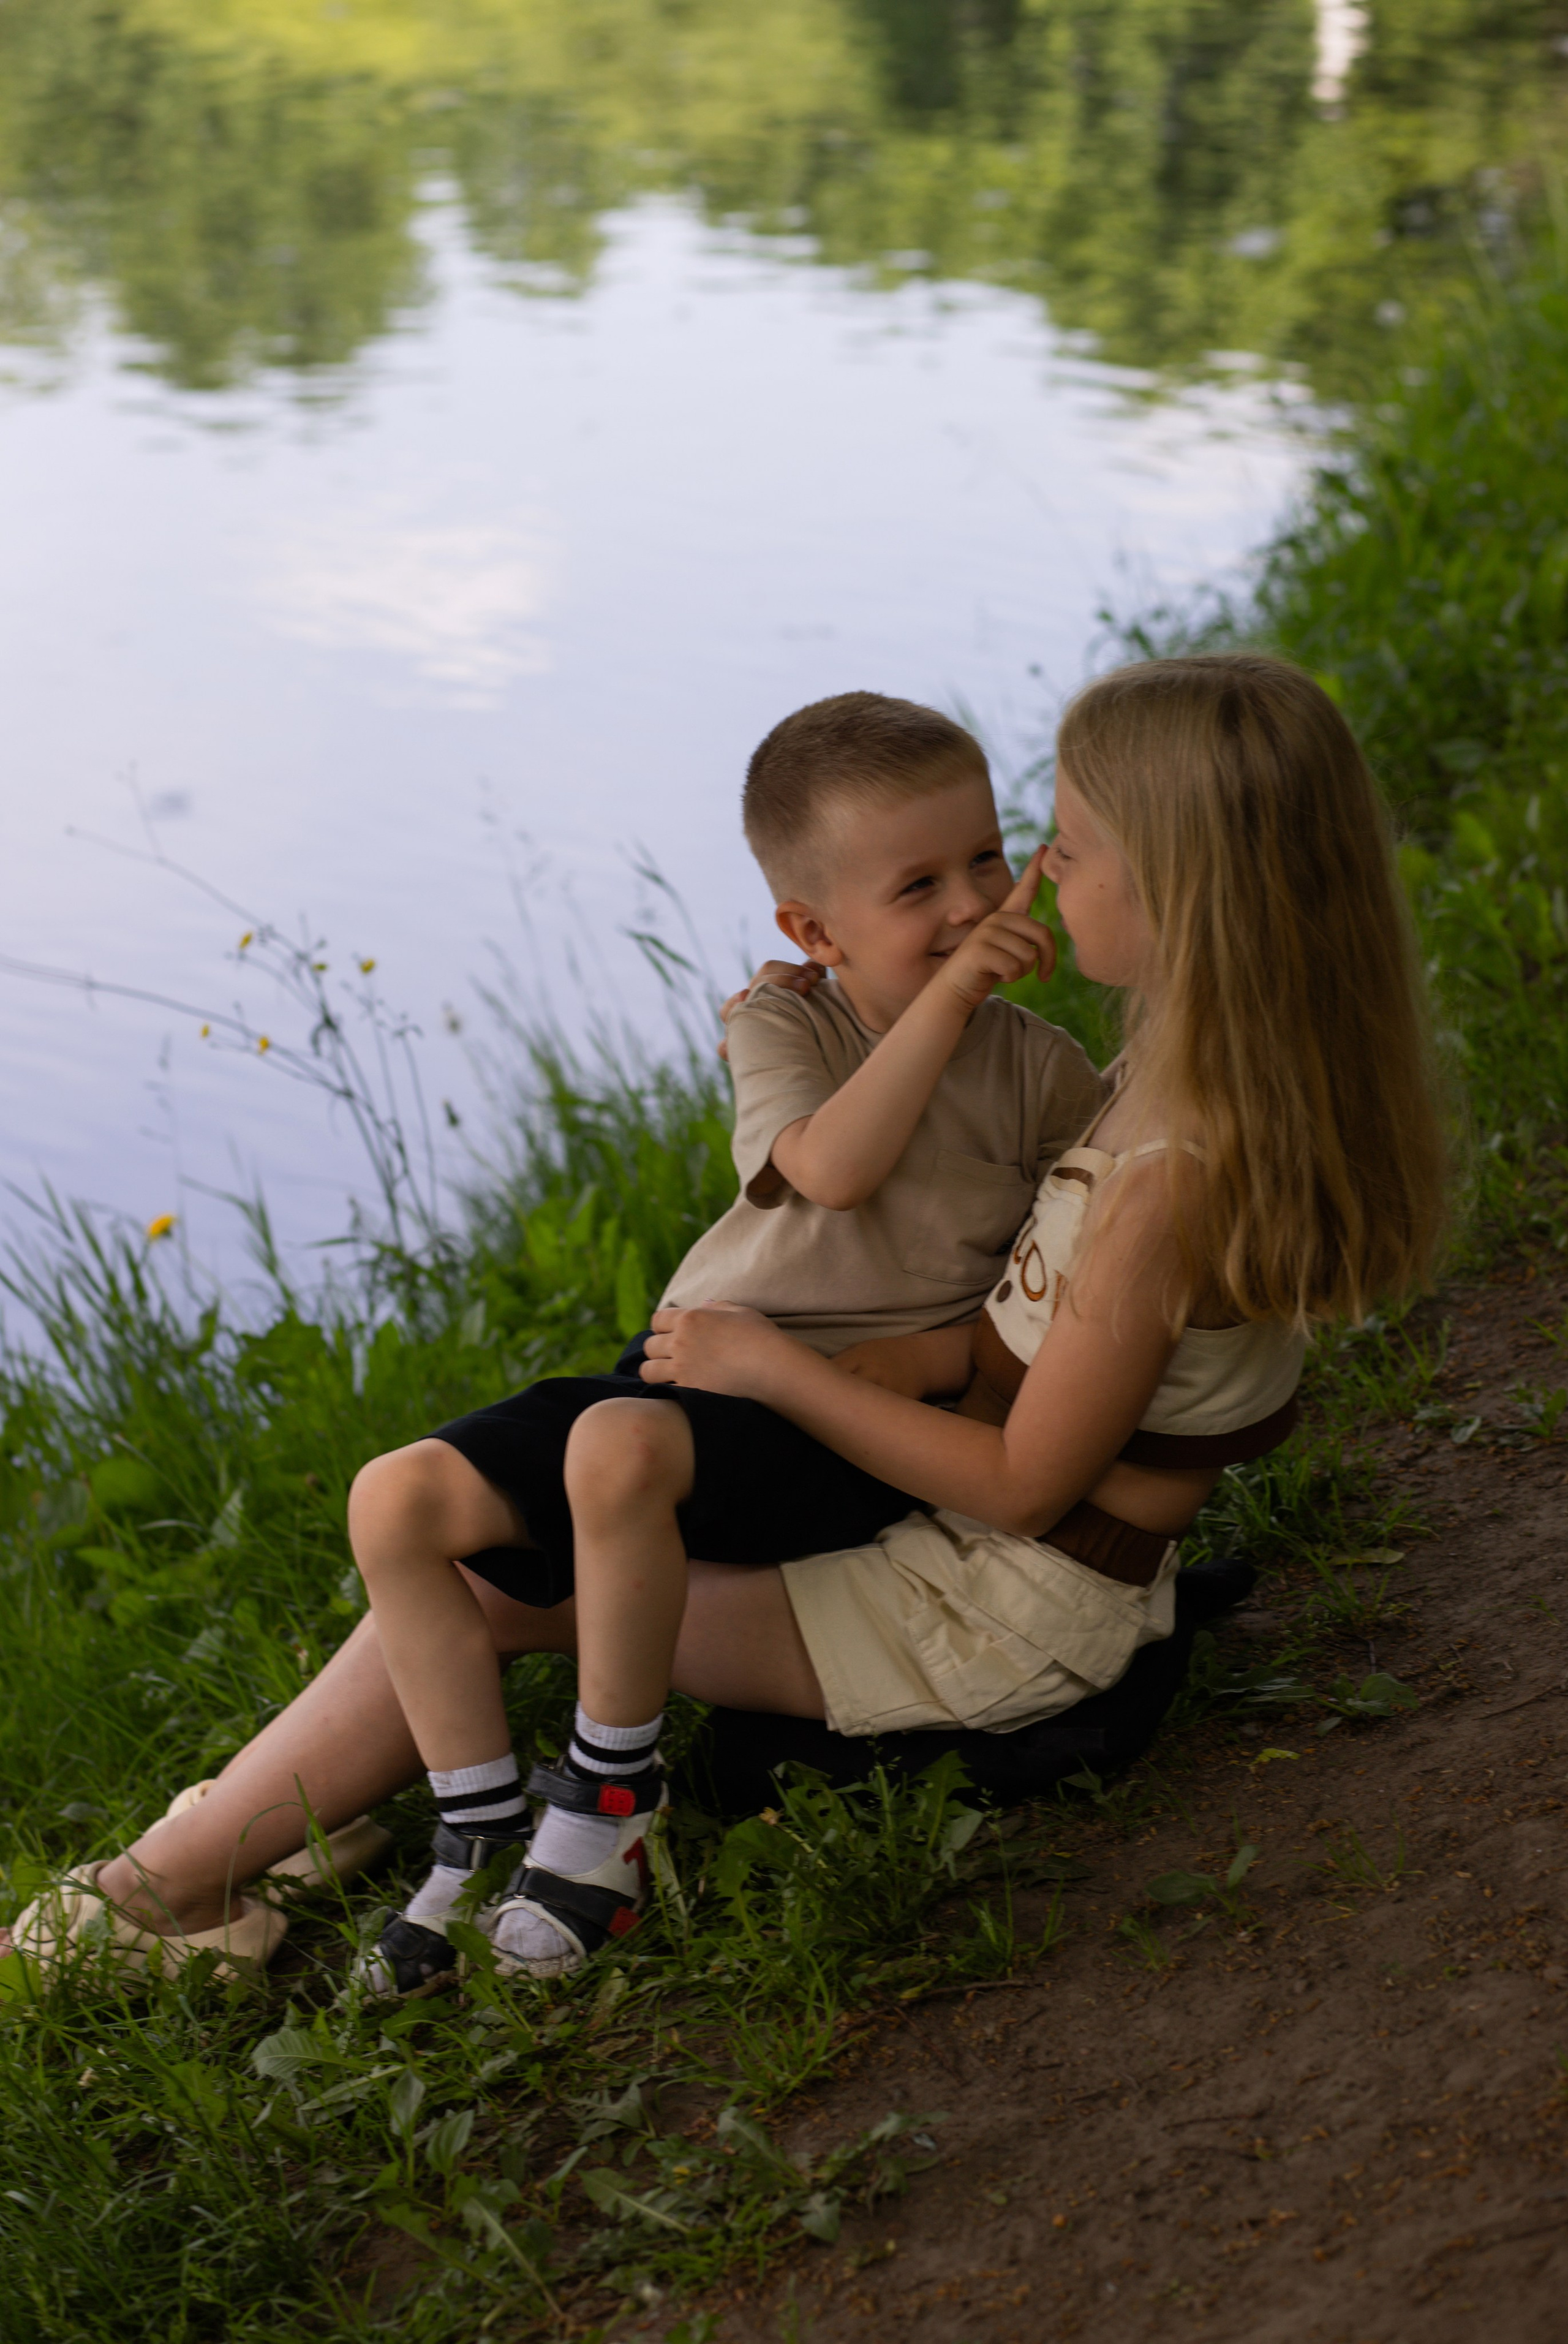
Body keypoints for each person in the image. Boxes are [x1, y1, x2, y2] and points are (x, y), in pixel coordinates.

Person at [9, 689, 1103, 1987]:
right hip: (696, 1366)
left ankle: (549, 1821)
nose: (971, 903)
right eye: (917, 882)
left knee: (598, 1475)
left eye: (985, 857)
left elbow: (1057, 1281)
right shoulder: (783, 1017)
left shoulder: (1037, 1067)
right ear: (810, 929)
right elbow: (831, 1166)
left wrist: (921, 1361)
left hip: (835, 1413)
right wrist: (939, 1004)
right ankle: (457, 1838)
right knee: (402, 1494)